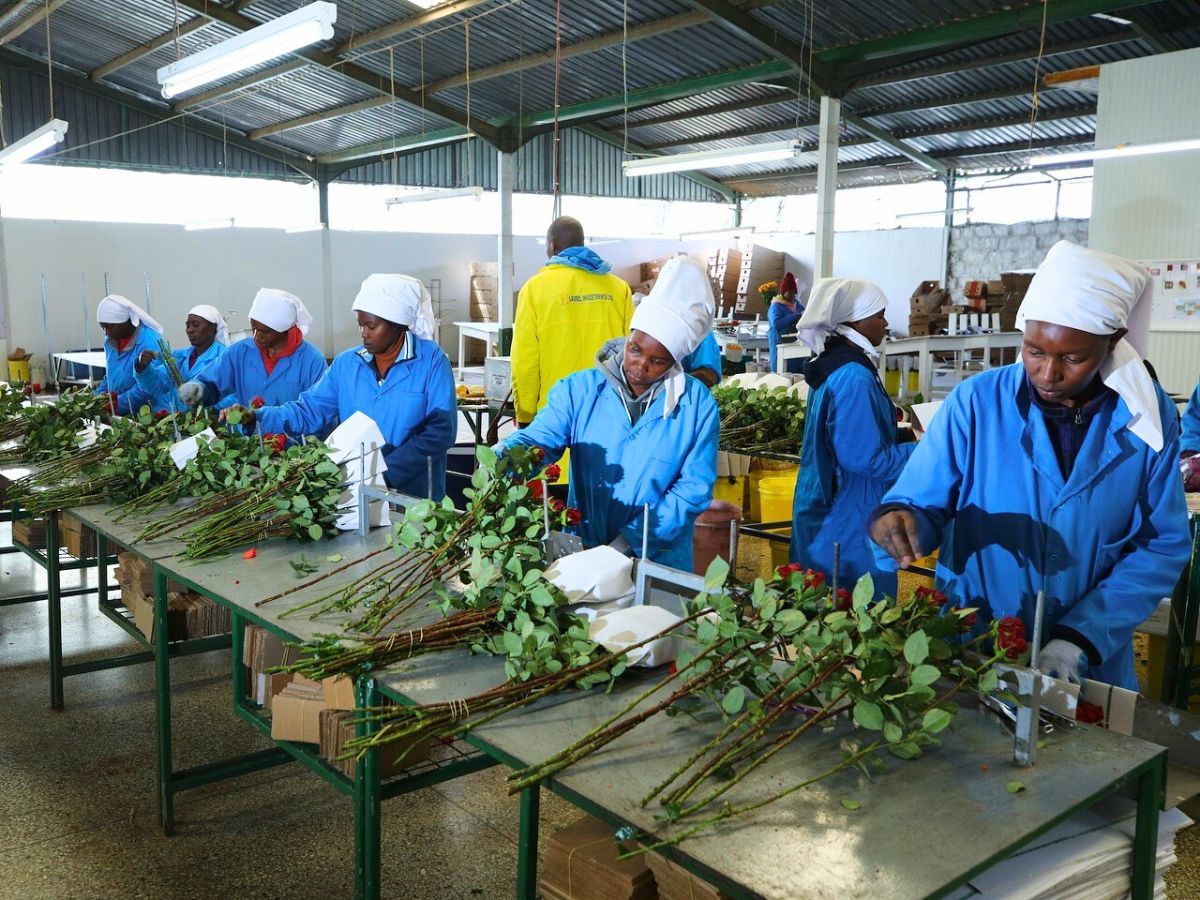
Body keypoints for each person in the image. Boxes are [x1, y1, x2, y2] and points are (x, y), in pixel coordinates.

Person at [870, 241, 1190, 691]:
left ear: (1113, 342)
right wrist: (900, 521)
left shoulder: (1147, 419)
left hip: (1086, 662)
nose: (1047, 373)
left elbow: (1161, 545)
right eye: (1034, 351)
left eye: (1072, 358)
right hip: (975, 638)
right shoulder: (977, 403)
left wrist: (1078, 638)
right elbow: (921, 502)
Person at [499, 256, 719, 572]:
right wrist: (501, 462)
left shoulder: (696, 408)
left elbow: (692, 491)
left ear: (674, 362)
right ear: (628, 337)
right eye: (636, 349)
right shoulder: (580, 391)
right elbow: (540, 440)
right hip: (583, 552)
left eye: (658, 361)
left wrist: (630, 543)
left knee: (655, 622)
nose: (641, 366)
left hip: (659, 561)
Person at [232, 276, 456, 499]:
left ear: (397, 324)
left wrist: (385, 472)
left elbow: (440, 430)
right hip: (355, 487)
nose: (363, 333)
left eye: (371, 326)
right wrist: (257, 418)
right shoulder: (347, 364)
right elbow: (309, 410)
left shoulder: (431, 361)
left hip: (413, 493)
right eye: (360, 324)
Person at [788, 278, 915, 596]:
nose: (885, 323)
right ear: (857, 320)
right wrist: (925, 450)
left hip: (824, 504)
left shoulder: (835, 363)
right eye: (879, 315)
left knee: (818, 611)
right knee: (858, 613)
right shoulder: (855, 376)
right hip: (849, 516)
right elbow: (865, 458)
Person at [511, 216, 634, 427]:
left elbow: (526, 361)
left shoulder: (534, 289)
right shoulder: (619, 288)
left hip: (555, 413)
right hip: (609, 410)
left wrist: (525, 414)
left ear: (552, 245)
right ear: (582, 243)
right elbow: (631, 351)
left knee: (558, 461)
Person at [178, 288, 326, 411]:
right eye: (254, 329)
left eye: (264, 332)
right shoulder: (240, 352)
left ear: (285, 330)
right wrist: (199, 389)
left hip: (296, 444)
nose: (257, 336)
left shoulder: (311, 360)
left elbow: (318, 411)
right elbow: (214, 383)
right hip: (251, 441)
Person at [134, 305, 231, 414]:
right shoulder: (179, 357)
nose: (190, 330)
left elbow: (234, 395)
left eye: (195, 325)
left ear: (212, 327)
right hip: (184, 425)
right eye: (188, 325)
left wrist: (202, 397)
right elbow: (157, 385)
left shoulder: (225, 357)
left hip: (215, 425)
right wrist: (143, 367)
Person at [94, 294, 163, 415]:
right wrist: (95, 399)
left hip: (149, 412)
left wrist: (115, 405)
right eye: (103, 327)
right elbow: (111, 376)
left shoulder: (151, 342)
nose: (107, 332)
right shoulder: (110, 342)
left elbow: (148, 387)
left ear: (126, 321)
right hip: (119, 411)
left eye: (110, 326)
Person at [767, 272, 806, 374]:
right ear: (783, 292)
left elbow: (805, 315)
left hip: (796, 343)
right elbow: (776, 323)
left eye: (794, 292)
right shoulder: (776, 306)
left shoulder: (797, 305)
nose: (792, 295)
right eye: (789, 292)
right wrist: (794, 316)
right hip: (780, 343)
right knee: (782, 374)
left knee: (797, 375)